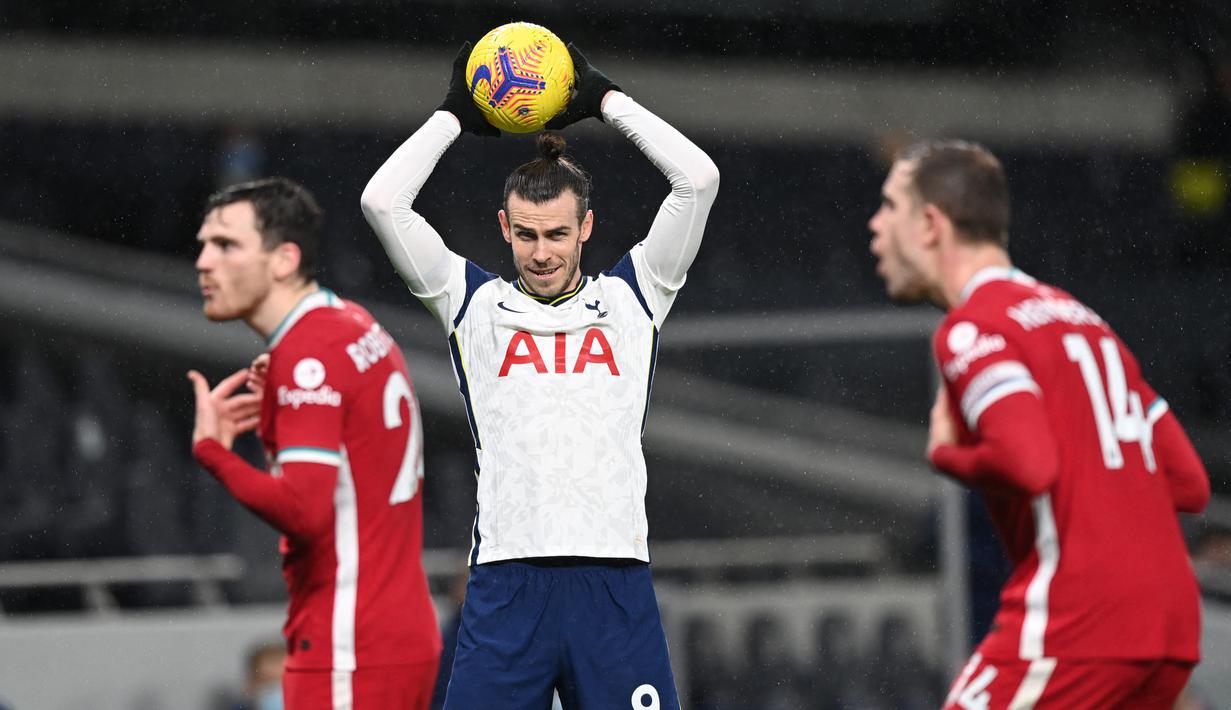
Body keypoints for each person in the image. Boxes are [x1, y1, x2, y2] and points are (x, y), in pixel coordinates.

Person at [361, 42, 719, 710]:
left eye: (556, 233)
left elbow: (697, 181)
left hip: (612, 582)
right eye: (526, 235)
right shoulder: (470, 304)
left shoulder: (635, 296)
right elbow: (383, 203)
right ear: (503, 227)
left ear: (586, 226)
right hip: (506, 586)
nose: (542, 252)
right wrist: (453, 114)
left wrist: (605, 100)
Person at [869, 140, 1210, 709]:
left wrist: (948, 455)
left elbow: (1029, 464)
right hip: (1171, 626)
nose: (875, 226)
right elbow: (1190, 485)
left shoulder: (975, 328)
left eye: (888, 206)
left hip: (1078, 622)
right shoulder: (1087, 323)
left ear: (930, 224)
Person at [187, 177, 441, 709]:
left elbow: (305, 511)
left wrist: (212, 451)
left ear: (283, 260)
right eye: (204, 244)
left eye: (226, 245)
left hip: (350, 639)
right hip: (395, 628)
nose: (204, 262)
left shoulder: (310, 353)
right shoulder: (351, 323)